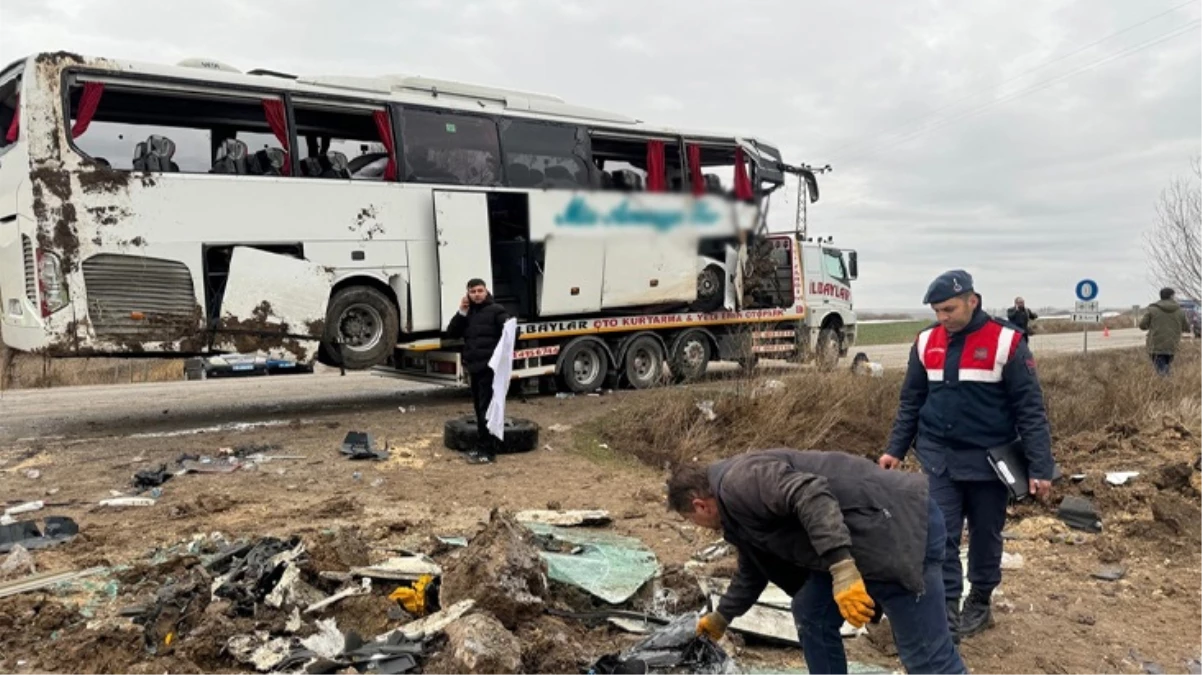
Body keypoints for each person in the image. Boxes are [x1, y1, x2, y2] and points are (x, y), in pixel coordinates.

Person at [669, 450, 968, 674]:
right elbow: (753, 568)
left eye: (691, 519)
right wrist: (722, 617)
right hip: (858, 541)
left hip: (898, 528)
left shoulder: (741, 482)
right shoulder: (734, 514)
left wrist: (842, 569)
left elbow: (811, 494)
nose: (698, 526)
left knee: (927, 657)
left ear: (700, 505)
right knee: (812, 612)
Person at [879, 270, 1054, 643]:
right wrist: (895, 449)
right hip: (940, 460)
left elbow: (1030, 409)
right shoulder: (926, 342)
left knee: (985, 534)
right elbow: (911, 401)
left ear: (972, 301)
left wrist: (1040, 467)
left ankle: (981, 599)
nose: (942, 318)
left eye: (949, 309)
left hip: (990, 462)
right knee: (940, 537)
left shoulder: (1007, 341)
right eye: (936, 311)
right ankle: (946, 614)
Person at [445, 278, 512, 464]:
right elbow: (452, 333)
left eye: (480, 291)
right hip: (474, 368)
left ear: (486, 291)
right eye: (473, 291)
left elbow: (511, 332)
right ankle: (482, 446)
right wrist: (461, 311)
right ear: (468, 294)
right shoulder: (468, 313)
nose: (476, 294)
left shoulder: (496, 310)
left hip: (489, 369)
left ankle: (488, 452)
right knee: (478, 410)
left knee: (486, 410)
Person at [1138, 287, 1190, 376]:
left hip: (1155, 344)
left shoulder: (1152, 309)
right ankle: (1169, 385)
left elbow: (1142, 325)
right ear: (1172, 296)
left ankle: (1168, 385)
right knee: (1165, 367)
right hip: (1172, 344)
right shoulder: (1180, 310)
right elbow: (1186, 327)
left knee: (1162, 371)